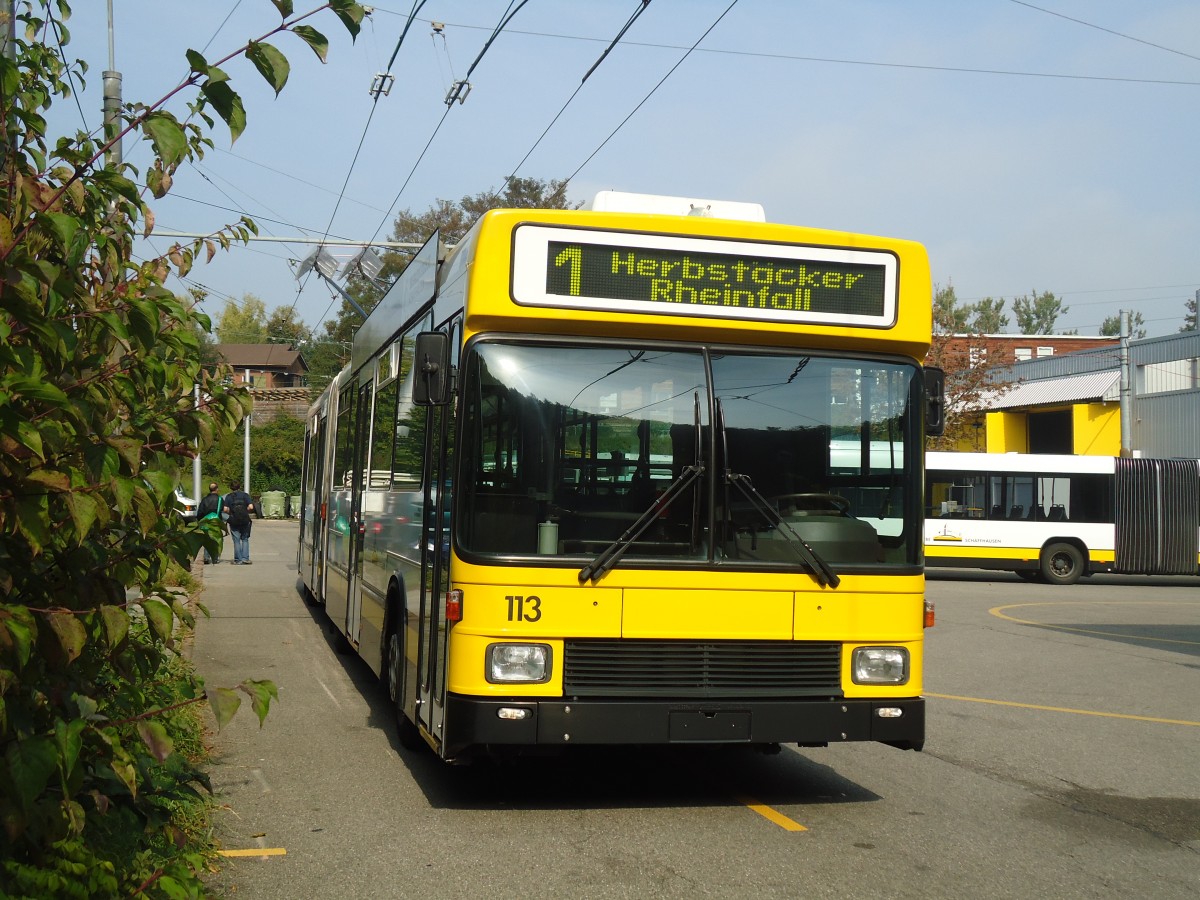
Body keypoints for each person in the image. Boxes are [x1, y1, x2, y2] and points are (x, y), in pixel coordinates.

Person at [223, 480, 256, 565]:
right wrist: (245, 511)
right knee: (245, 539)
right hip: (245, 520)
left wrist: (231, 513)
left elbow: (225, 509)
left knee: (236, 541)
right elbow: (251, 506)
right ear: (239, 487)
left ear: (231, 488)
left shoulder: (229, 497)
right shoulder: (245, 495)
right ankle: (245, 558)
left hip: (234, 521)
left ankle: (238, 560)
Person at [195, 482, 224, 564]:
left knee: (207, 539)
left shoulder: (204, 499)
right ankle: (215, 557)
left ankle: (206, 557)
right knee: (216, 539)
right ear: (217, 489)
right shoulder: (220, 499)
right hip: (216, 522)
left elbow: (200, 512)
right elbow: (222, 509)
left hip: (206, 522)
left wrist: (199, 520)